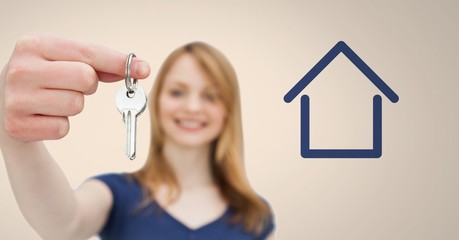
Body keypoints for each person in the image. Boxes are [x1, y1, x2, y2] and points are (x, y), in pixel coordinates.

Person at [0, 34, 275, 240]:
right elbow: (63, 224)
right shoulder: (116, 193)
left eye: (211, 95)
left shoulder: (255, 214)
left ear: (228, 110)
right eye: (178, 92)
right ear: (154, 103)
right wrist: (16, 139)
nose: (193, 106)